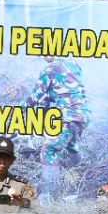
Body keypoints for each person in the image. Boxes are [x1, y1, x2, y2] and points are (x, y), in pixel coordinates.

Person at [27, 56, 89, 192]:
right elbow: (59, 91)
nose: (42, 57)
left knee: (49, 151)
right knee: (72, 145)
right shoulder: (73, 64)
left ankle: (49, 194)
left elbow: (34, 97)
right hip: (83, 115)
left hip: (68, 116)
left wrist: (20, 110)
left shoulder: (49, 69)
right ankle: (83, 174)